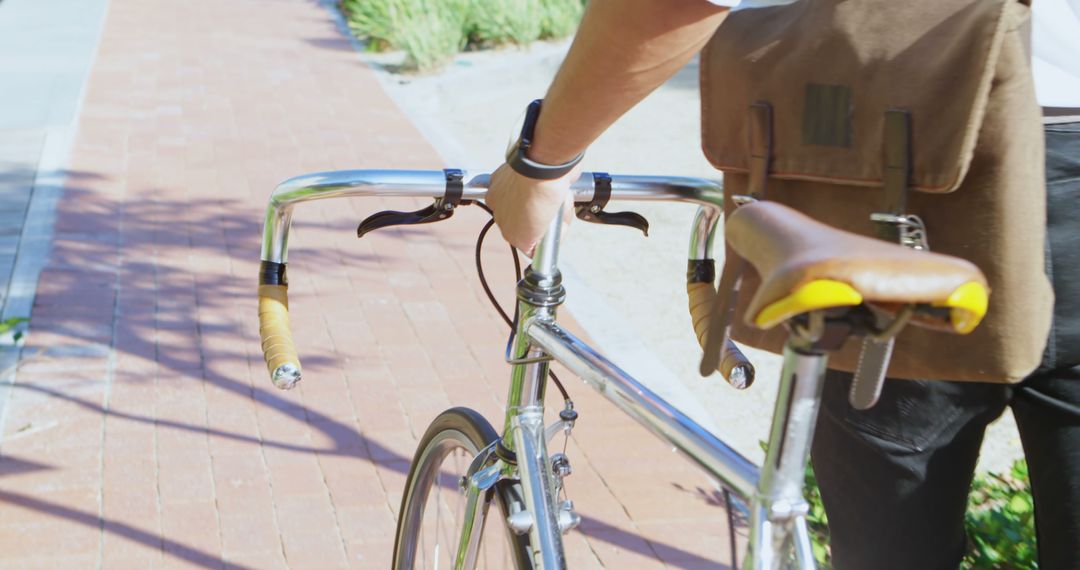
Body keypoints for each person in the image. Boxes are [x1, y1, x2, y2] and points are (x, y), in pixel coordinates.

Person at [485, 0, 1080, 568]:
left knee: (890, 549)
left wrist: (542, 162)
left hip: (926, 169)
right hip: (996, 142)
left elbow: (675, 7)